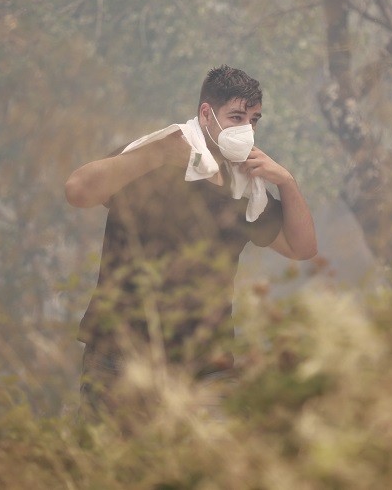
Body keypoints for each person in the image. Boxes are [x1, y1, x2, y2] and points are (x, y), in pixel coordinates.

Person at [64, 65, 317, 420]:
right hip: (123, 351)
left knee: (206, 468)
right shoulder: (154, 155)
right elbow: (77, 191)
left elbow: (302, 248)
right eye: (236, 117)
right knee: (118, 463)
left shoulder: (244, 185)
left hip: (205, 361)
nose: (246, 129)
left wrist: (286, 182)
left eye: (254, 120)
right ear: (206, 113)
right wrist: (157, 155)